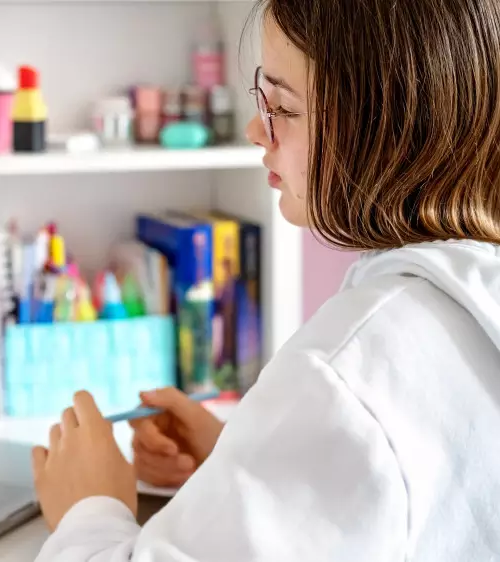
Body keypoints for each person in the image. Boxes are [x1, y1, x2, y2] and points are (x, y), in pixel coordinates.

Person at [30, 0, 500, 560]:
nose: (257, 130)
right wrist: (243, 459)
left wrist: (88, 510)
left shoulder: (346, 369)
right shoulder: (469, 298)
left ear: (392, 126)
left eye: (283, 107)